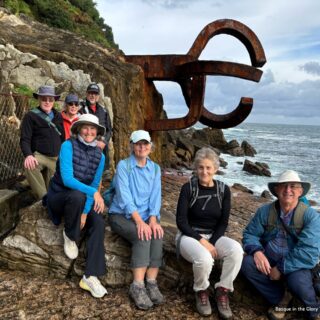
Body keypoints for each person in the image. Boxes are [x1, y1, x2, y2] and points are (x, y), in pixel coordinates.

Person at [241, 170, 320, 320]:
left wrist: (281, 268)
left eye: (293, 186)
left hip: (296, 263)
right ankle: (280, 299)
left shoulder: (311, 216)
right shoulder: (265, 211)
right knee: (247, 263)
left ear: (300, 191)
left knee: (298, 282)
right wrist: (257, 252)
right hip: (270, 257)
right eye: (283, 186)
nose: (288, 190)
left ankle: (314, 309)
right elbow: (250, 234)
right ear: (277, 190)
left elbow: (308, 252)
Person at [176, 147, 243, 319]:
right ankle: (201, 291)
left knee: (236, 250)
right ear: (196, 168)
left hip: (213, 235)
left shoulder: (223, 190)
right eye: (200, 167)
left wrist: (212, 242)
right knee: (204, 258)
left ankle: (222, 290)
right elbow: (181, 222)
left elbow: (223, 222)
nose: (204, 171)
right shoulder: (188, 188)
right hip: (189, 236)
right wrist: (203, 242)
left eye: (208, 168)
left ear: (215, 169)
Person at [46, 114, 107, 298]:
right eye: (85, 127)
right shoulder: (67, 146)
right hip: (59, 197)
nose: (89, 132)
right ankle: (69, 234)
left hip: (80, 201)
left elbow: (95, 183)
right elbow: (67, 179)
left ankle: (90, 276)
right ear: (78, 129)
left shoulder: (100, 155)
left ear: (97, 132)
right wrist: (93, 192)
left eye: (93, 128)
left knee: (98, 222)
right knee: (78, 194)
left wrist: (85, 213)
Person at [108, 130, 163, 310]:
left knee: (156, 233)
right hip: (120, 214)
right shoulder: (124, 166)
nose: (142, 147)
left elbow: (156, 196)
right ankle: (137, 286)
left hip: (146, 215)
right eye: (138, 144)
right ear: (132, 146)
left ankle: (151, 282)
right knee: (142, 235)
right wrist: (139, 221)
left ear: (150, 147)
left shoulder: (155, 168)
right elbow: (124, 196)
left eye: (145, 144)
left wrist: (153, 220)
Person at [20, 85, 64, 200]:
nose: (47, 102)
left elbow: (62, 137)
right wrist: (28, 155)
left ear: (54, 101)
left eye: (50, 99)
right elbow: (25, 139)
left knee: (54, 187)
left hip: (57, 157)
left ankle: (52, 198)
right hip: (41, 155)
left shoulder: (58, 116)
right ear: (39, 99)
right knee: (30, 166)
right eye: (44, 99)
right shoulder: (31, 116)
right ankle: (44, 199)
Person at [79, 83, 112, 167]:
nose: (93, 96)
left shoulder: (103, 111)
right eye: (90, 93)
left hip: (101, 147)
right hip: (85, 147)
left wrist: (104, 142)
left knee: (103, 173)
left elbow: (109, 130)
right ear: (86, 94)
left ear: (98, 96)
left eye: (95, 93)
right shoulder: (80, 108)